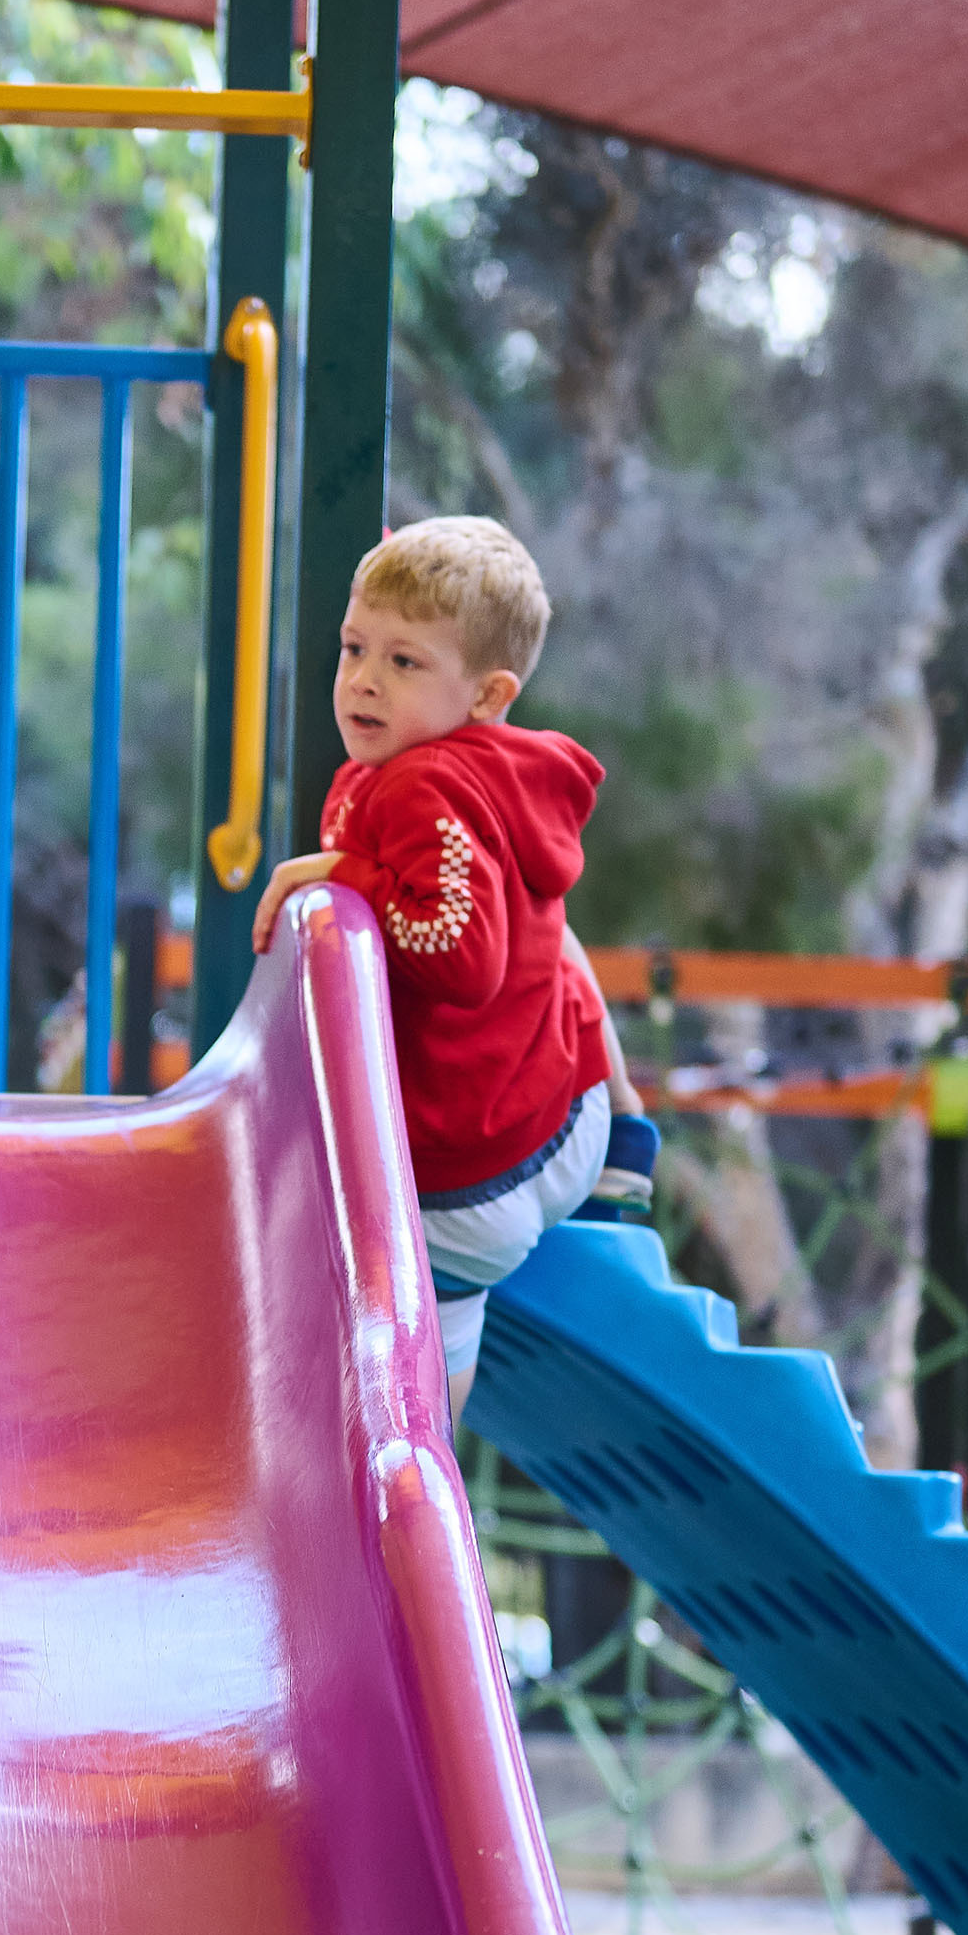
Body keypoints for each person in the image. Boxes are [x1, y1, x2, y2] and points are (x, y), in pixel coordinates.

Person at [252, 516, 655, 1422]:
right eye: (355, 647)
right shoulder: (483, 772)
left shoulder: (419, 785)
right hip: (560, 1115)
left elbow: (459, 957)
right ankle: (626, 1130)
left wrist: (347, 877)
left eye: (404, 663)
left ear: (487, 694)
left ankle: (416, 1458)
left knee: (425, 1320)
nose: (360, 678)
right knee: (542, 917)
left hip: (468, 1184)